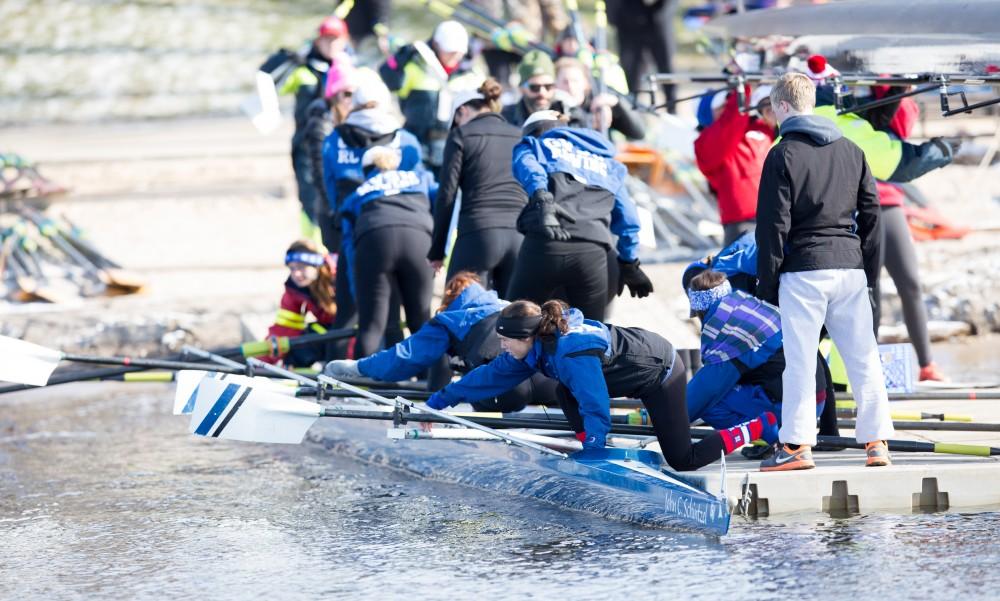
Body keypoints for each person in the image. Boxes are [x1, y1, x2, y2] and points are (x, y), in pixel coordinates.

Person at [426, 299, 778, 471]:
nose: (501, 347)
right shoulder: (534, 349)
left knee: (682, 459)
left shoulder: (569, 352)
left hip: (662, 372)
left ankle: (759, 426)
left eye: (506, 341)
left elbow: (595, 402)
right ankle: (591, 444)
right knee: (563, 390)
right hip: (631, 371)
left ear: (526, 337)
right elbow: (483, 379)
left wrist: (595, 452)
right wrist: (437, 403)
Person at [756, 73, 894, 471]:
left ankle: (797, 447)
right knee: (863, 359)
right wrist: (870, 273)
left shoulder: (782, 154)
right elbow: (872, 216)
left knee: (799, 361)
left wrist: (768, 282)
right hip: (849, 267)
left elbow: (772, 226)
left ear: (782, 106)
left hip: (803, 271)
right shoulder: (852, 151)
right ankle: (876, 442)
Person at [324, 272, 559, 411]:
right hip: (549, 384)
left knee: (471, 388)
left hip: (507, 391)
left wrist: (356, 368)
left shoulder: (452, 319)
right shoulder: (508, 307)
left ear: (452, 298)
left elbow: (403, 359)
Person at [506, 111, 653, 321]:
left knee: (515, 323)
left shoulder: (535, 144)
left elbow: (527, 166)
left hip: (546, 243)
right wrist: (629, 262)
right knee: (590, 334)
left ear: (535, 131)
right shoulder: (607, 162)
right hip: (593, 254)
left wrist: (542, 197)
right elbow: (629, 219)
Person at [321, 69, 420, 358]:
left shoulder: (333, 140)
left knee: (352, 312)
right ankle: (401, 376)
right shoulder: (406, 140)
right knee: (393, 315)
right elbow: (418, 187)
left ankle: (335, 377)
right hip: (401, 228)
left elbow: (329, 188)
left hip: (354, 230)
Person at [685, 270, 831, 448]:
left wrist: (661, 417)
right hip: (816, 401)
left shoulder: (725, 330)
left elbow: (698, 397)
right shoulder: (752, 308)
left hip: (792, 407)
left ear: (701, 310)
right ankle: (773, 432)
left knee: (710, 404)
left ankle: (768, 433)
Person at [863, 89, 949, 381]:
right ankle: (867, 368)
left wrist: (903, 89)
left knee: (910, 283)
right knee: (868, 289)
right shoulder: (854, 96)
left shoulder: (898, 99)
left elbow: (904, 120)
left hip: (889, 200)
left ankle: (927, 365)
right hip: (859, 203)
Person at [427, 78, 528, 295]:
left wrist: (437, 251)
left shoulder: (461, 135)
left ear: (461, 111)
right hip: (519, 236)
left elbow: (447, 195)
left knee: (460, 314)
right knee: (516, 321)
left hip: (478, 234)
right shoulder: (519, 135)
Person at [340, 146, 437, 357]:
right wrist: (441, 251)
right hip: (418, 240)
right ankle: (429, 381)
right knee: (421, 320)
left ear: (366, 170)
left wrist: (359, 292)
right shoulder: (421, 178)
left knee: (372, 326)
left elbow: (350, 249)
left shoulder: (356, 195)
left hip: (374, 242)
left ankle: (358, 386)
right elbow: (445, 201)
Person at [379, 20, 485, 172]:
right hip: (416, 143)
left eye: (458, 52)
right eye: (449, 51)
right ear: (436, 45)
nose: (454, 56)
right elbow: (389, 78)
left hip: (454, 146)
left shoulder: (472, 75)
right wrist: (399, 58)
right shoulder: (415, 66)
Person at [281, 16, 351, 239]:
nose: (331, 45)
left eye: (336, 39)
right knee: (310, 199)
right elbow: (272, 83)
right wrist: (285, 59)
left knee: (336, 198)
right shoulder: (302, 70)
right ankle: (311, 246)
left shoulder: (352, 68)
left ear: (345, 40)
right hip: (306, 145)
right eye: (326, 40)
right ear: (317, 41)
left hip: (340, 145)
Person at [693, 84, 776, 246]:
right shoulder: (706, 144)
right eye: (723, 106)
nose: (730, 109)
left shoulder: (756, 128)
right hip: (743, 222)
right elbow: (731, 121)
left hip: (776, 215)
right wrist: (743, 87)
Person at [304, 52, 356, 252]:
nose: (351, 100)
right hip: (331, 210)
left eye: (354, 93)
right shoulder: (321, 124)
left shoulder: (352, 120)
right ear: (334, 95)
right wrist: (334, 209)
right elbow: (319, 173)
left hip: (350, 206)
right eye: (347, 94)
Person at [259, 240, 337, 367]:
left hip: (358, 334)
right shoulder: (294, 289)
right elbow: (284, 328)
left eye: (301, 266)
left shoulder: (341, 277)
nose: (296, 273)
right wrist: (258, 365)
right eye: (292, 268)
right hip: (330, 332)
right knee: (296, 350)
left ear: (317, 265)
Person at [608, 0, 678, 110]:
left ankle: (672, 109)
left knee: (666, 68)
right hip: (628, 20)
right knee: (630, 73)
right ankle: (631, 111)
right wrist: (614, 16)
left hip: (659, 17)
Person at [554, 57, 645, 140]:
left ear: (585, 83)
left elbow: (638, 133)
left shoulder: (599, 104)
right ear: (556, 84)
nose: (570, 86)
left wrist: (617, 104)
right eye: (565, 82)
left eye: (575, 81)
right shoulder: (552, 107)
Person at [500, 50, 563, 127]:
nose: (542, 93)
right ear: (521, 89)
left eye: (548, 87)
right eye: (535, 87)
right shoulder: (505, 119)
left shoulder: (569, 115)